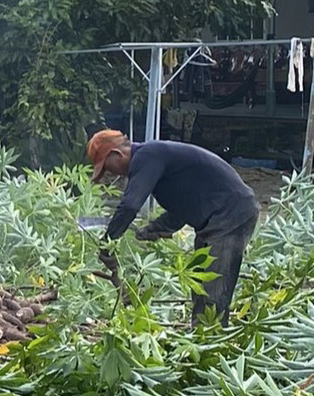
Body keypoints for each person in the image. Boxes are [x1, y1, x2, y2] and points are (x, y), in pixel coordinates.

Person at [87, 129, 259, 324]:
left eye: (109, 169)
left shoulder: (147, 156)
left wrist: (108, 242)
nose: (113, 175)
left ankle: (213, 345)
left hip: (231, 215)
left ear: (116, 154)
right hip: (216, 219)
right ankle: (200, 340)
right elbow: (184, 207)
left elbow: (130, 205)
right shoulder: (155, 158)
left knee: (213, 294)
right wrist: (153, 229)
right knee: (199, 287)